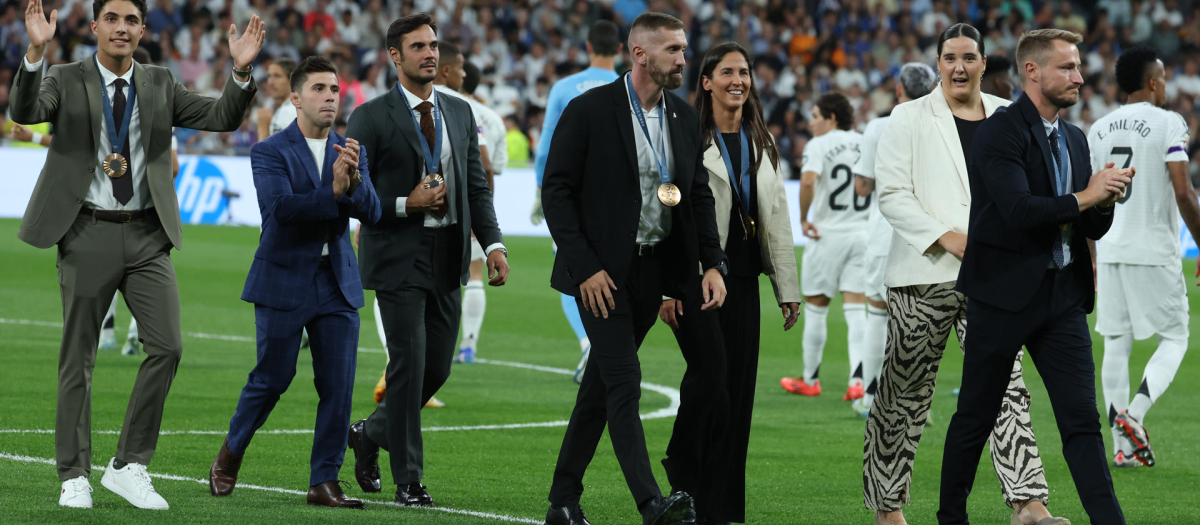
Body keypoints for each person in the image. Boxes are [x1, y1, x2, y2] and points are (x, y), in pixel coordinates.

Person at [10, 0, 262, 510]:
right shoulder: (63, 76)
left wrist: (239, 71)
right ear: (96, 26)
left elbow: (221, 116)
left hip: (148, 235)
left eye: (131, 20)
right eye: (112, 19)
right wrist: (36, 52)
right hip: (86, 230)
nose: (121, 28)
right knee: (78, 359)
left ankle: (128, 465)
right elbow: (25, 112)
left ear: (142, 29)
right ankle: (74, 474)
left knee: (167, 346)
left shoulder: (161, 82)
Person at [540, 12, 727, 525]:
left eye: (684, 49)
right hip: (602, 276)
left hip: (654, 275)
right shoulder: (589, 110)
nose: (684, 60)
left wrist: (712, 263)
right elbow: (556, 191)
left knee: (599, 389)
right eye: (674, 50)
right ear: (639, 54)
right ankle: (651, 504)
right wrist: (584, 269)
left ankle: (562, 500)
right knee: (624, 382)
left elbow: (694, 196)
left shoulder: (684, 117)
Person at [867, 24, 1057, 525]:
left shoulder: (1008, 115)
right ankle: (887, 509)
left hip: (994, 278)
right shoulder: (907, 117)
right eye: (949, 57)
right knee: (903, 394)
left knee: (1007, 387)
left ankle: (1028, 503)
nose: (958, 67)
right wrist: (947, 236)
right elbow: (891, 194)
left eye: (969, 58)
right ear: (937, 62)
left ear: (983, 62)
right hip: (923, 273)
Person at [941, 28, 1131, 525]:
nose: (1079, 76)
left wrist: (1105, 200)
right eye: (1067, 67)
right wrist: (1088, 195)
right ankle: (950, 518)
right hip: (1002, 297)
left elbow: (1089, 223)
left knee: (1082, 423)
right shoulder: (999, 131)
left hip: (1062, 296)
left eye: (1078, 66)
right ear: (1033, 71)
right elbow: (1020, 211)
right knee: (976, 419)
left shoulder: (1073, 136)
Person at [344, 13, 509, 508]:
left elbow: (476, 187)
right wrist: (407, 204)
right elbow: (355, 196)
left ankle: (369, 434)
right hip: (397, 255)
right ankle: (409, 481)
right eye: (418, 46)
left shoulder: (460, 113)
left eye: (433, 45)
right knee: (410, 366)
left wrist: (494, 244)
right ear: (395, 56)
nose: (430, 54)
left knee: (437, 368)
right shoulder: (368, 117)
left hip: (448, 254)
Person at [208, 55, 380, 508]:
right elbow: (281, 211)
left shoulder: (350, 149)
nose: (329, 97)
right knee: (273, 378)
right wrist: (335, 193)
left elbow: (375, 212)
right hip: (284, 279)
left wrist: (356, 182)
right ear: (296, 98)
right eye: (319, 89)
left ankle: (324, 481)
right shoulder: (269, 151)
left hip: (338, 281)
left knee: (338, 386)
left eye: (334, 89)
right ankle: (231, 451)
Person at [657, 41, 800, 525]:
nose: (738, 80)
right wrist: (667, 288)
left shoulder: (763, 142)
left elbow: (776, 220)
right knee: (712, 381)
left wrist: (787, 288)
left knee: (737, 395)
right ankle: (682, 469)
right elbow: (667, 216)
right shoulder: (685, 137)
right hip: (696, 280)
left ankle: (718, 507)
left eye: (744, 72)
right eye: (727, 72)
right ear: (706, 81)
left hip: (744, 281)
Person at [1089, 45, 1199, 468]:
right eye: (1164, 77)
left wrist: (1094, 256)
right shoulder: (1170, 122)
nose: (1166, 84)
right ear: (1153, 81)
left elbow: (1091, 198)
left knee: (1116, 342)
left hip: (1112, 247)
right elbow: (1183, 191)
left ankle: (1121, 446)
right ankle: (1134, 414)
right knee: (1174, 338)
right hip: (1153, 247)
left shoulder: (1097, 129)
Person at [531, 20, 622, 383]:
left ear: (587, 47)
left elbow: (548, 142)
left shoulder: (565, 87)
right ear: (619, 49)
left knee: (572, 268)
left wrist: (541, 190)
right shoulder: (628, 86)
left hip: (572, 195)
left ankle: (588, 343)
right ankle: (610, 347)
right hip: (618, 198)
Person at [849, 62, 938, 419]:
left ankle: (871, 395)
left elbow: (862, 186)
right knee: (923, 318)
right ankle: (918, 403)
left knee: (877, 311)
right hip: (930, 232)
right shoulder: (941, 126)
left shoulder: (878, 126)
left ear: (899, 91)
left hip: (885, 228)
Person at [780, 92, 867, 400]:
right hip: (863, 234)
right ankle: (858, 381)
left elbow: (806, 182)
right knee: (857, 310)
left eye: (816, 116)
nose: (811, 122)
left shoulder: (819, 145)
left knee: (816, 309)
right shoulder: (864, 141)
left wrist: (803, 219)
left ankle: (811, 379)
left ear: (831, 118)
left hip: (828, 234)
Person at [99, 46, 176, 358]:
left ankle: (108, 334)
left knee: (105, 273)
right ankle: (134, 332)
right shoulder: (158, 107)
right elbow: (174, 167)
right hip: (144, 212)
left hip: (107, 211)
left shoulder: (108, 104)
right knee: (141, 276)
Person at [432, 41, 504, 365]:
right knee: (474, 274)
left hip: (432, 211)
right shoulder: (485, 114)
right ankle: (469, 343)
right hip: (468, 210)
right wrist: (481, 219)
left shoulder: (441, 105)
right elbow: (489, 169)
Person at [257, 57, 297, 140]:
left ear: (292, 80)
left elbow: (276, 153)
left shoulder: (289, 111)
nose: (270, 82)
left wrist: (263, 129)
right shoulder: (288, 108)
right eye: (269, 76)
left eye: (277, 76)